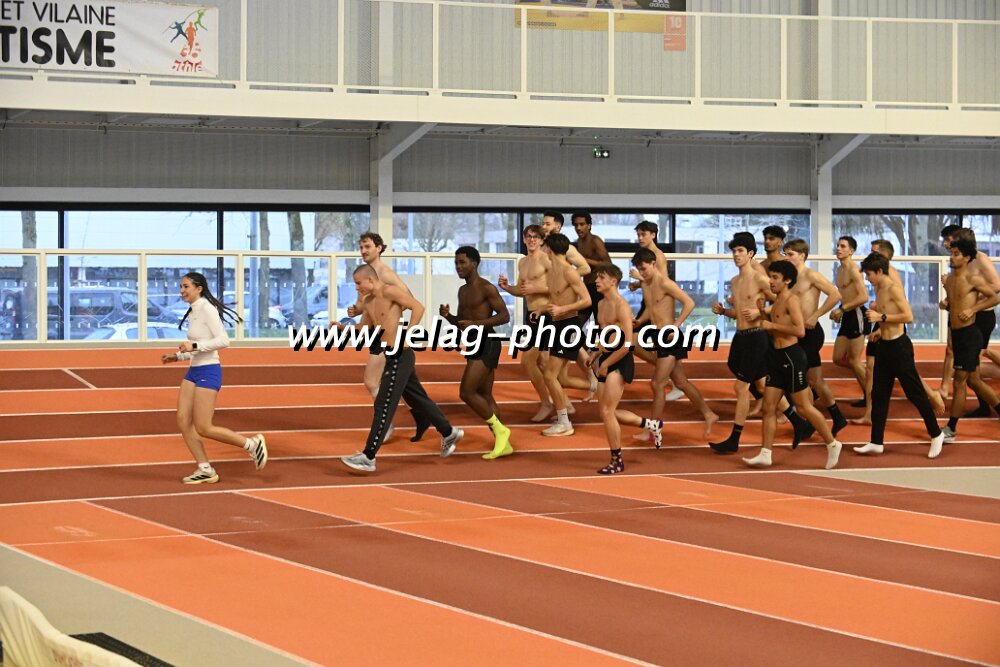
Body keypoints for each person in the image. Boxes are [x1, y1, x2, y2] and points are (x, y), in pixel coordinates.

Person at [341, 265, 464, 472]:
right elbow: (363, 329)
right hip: (391, 356)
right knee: (418, 399)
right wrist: (343, 329)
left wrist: (408, 333)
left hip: (401, 355)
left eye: (358, 283)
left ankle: (368, 456)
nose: (357, 288)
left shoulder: (389, 291)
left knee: (384, 404)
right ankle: (448, 432)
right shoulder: (368, 302)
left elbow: (418, 307)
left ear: (370, 279)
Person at [161, 272, 267, 484]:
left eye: (186, 287)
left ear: (198, 288)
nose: (181, 291)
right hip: (193, 371)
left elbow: (223, 341)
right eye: (181, 287)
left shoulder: (207, 309)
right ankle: (205, 468)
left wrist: (194, 346)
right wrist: (179, 356)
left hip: (209, 371)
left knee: (204, 427)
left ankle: (251, 444)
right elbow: (199, 346)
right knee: (183, 420)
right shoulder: (193, 311)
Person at [710, 234, 811, 453]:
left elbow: (784, 301)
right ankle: (799, 422)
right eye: (734, 251)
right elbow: (740, 313)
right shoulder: (735, 281)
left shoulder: (759, 279)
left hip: (757, 337)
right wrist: (724, 311)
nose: (736, 255)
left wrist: (761, 312)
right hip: (741, 336)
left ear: (750, 254)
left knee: (741, 387)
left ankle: (734, 439)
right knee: (762, 384)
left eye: (740, 251)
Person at [741, 260, 842, 469]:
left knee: (804, 407)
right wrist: (762, 312)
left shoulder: (791, 300)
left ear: (787, 281)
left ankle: (832, 444)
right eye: (770, 277)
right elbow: (777, 324)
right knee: (769, 408)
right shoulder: (778, 300)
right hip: (777, 358)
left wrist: (771, 325)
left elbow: (800, 330)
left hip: (791, 358)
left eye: (775, 278)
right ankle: (766, 453)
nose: (770, 281)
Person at [853, 253, 944, 459]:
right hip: (884, 347)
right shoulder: (878, 288)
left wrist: (881, 317)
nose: (867, 278)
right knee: (878, 395)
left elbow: (908, 317)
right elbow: (889, 316)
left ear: (879, 271)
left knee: (914, 393)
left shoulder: (893, 288)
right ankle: (876, 442)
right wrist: (879, 329)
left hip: (899, 348)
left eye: (869, 274)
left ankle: (936, 433)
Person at [631, 247, 718, 440]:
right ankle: (709, 414)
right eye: (639, 269)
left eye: (644, 268)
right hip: (658, 335)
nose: (642, 273)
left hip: (670, 338)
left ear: (654, 264)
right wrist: (640, 320)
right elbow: (651, 308)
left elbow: (689, 303)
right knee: (680, 382)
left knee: (657, 383)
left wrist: (675, 326)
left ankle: (653, 430)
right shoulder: (646, 284)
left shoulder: (665, 283)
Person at [440, 246, 513, 460]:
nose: (458, 266)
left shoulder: (486, 287)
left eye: (462, 262)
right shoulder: (463, 291)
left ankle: (501, 431)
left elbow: (504, 316)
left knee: (466, 392)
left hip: (487, 343)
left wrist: (476, 324)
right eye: (456, 263)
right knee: (485, 395)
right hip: (473, 343)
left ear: (474, 263)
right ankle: (503, 443)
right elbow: (463, 322)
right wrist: (448, 317)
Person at [347, 232, 418, 442]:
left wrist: (390, 318)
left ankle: (386, 423)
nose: (363, 251)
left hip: (387, 336)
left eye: (367, 246)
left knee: (372, 381)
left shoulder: (386, 274)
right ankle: (428, 418)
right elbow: (365, 303)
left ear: (379, 248)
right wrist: (357, 310)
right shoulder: (364, 274)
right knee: (407, 386)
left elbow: (409, 299)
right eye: (361, 247)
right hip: (375, 333)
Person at [586, 264, 654, 474]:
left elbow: (627, 344)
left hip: (621, 359)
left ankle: (617, 461)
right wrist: (596, 353)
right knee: (607, 412)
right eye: (597, 277)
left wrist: (606, 364)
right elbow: (606, 335)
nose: (597, 281)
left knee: (607, 412)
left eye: (601, 277)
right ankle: (649, 424)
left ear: (613, 282)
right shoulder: (600, 304)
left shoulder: (622, 306)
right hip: (606, 357)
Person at [783, 239, 848, 436]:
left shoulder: (811, 275)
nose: (786, 258)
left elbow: (835, 295)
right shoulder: (789, 278)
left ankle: (809, 423)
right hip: (796, 333)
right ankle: (837, 417)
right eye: (785, 254)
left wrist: (815, 315)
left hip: (810, 333)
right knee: (816, 381)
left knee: (802, 381)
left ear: (802, 256)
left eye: (790, 254)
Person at [941, 236, 1000, 442]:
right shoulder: (949, 280)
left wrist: (973, 309)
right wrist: (945, 305)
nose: (952, 257)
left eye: (956, 254)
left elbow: (994, 298)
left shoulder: (973, 279)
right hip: (957, 335)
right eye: (951, 253)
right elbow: (955, 303)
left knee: (960, 381)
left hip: (970, 336)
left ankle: (951, 429)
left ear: (966, 258)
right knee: (974, 380)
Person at [499, 225, 556, 422]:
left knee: (528, 360)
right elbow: (521, 290)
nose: (532, 240)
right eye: (529, 236)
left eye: (536, 237)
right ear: (524, 239)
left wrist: (537, 289)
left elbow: (559, 287)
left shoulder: (547, 260)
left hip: (546, 314)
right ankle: (563, 403)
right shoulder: (522, 262)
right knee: (543, 363)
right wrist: (507, 287)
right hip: (532, 315)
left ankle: (547, 403)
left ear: (541, 240)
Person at [538, 232, 592, 437]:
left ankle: (564, 423)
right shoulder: (552, 272)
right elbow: (556, 299)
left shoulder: (570, 272)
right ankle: (596, 386)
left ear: (549, 249)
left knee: (549, 375)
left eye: (544, 246)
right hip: (557, 326)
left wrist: (563, 309)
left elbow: (586, 300)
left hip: (569, 326)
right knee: (558, 377)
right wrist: (542, 309)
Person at [541, 212, 598, 400]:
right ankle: (588, 386)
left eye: (547, 223)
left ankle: (593, 382)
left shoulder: (567, 249)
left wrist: (567, 281)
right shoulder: (544, 247)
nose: (543, 226)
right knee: (559, 372)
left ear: (557, 226)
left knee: (552, 370)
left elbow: (586, 268)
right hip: (553, 310)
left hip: (566, 311)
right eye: (543, 223)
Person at [830, 235, 870, 405]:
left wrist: (842, 308)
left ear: (851, 251)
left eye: (843, 246)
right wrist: (840, 311)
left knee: (854, 360)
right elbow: (845, 295)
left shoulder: (854, 270)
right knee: (838, 358)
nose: (838, 249)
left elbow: (864, 297)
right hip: (847, 315)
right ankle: (870, 375)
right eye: (838, 245)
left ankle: (871, 396)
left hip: (857, 315)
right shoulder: (839, 270)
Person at [572, 212, 611, 325]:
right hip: (586, 286)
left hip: (598, 287)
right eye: (576, 225)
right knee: (578, 321)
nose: (578, 228)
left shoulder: (595, 241)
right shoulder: (579, 241)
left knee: (600, 322)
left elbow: (608, 264)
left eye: (582, 224)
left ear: (588, 226)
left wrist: (585, 260)